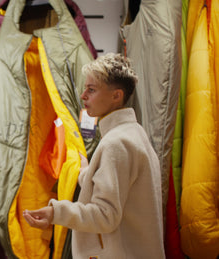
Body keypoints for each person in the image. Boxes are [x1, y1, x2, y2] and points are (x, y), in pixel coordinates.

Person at [23, 53, 165, 258]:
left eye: (91, 89)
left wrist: (56, 213)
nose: (83, 96)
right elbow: (123, 188)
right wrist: (85, 173)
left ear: (116, 96)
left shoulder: (116, 144)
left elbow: (105, 216)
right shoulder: (134, 134)